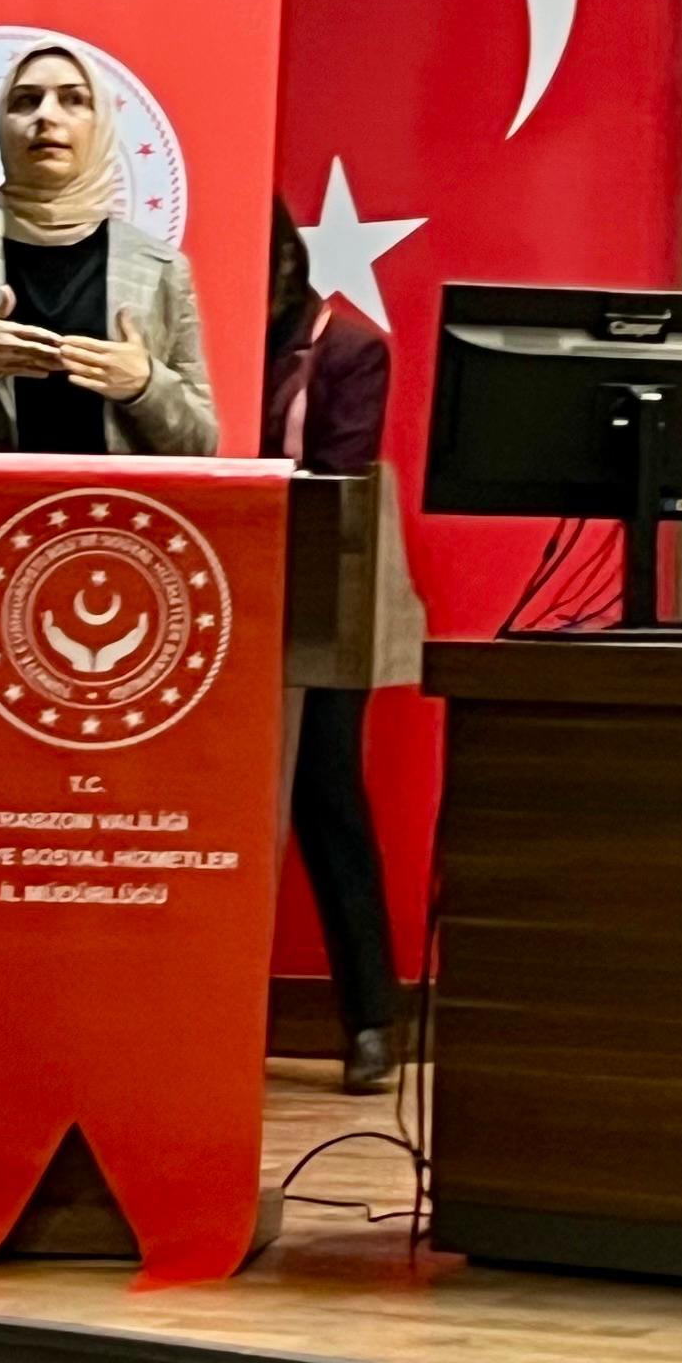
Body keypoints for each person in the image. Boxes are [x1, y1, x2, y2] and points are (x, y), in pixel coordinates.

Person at [0, 45, 215, 460]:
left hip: (107, 503)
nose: (46, 116)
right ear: (1, 124)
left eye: (73, 99)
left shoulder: (160, 269)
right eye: (26, 100)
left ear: (101, 124)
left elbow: (200, 445)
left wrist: (145, 385)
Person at [269, 196, 404, 1093]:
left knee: (327, 799)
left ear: (289, 260)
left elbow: (342, 479)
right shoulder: (183, 340)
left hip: (318, 604)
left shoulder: (349, 349)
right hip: (210, 603)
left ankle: (371, 1021)